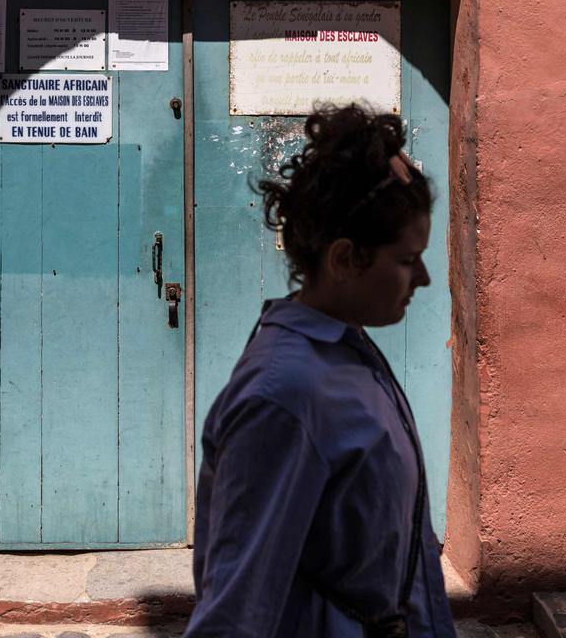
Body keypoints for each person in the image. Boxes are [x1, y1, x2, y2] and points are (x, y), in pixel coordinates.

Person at [184, 105, 457, 638]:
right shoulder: (286, 395)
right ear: (343, 259)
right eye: (406, 260)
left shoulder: (348, 351)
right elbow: (236, 612)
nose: (422, 278)